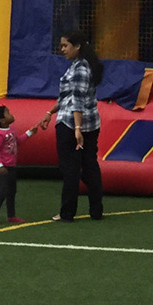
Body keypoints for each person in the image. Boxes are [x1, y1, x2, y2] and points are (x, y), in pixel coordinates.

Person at [41, 29, 104, 222]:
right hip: (90, 124)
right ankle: (96, 210)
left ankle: (67, 212)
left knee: (71, 169)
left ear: (77, 46)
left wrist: (77, 129)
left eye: (65, 45)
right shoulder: (82, 66)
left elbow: (77, 101)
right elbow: (66, 97)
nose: (62, 49)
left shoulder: (80, 69)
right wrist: (50, 112)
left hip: (71, 125)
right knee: (89, 166)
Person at [0, 106, 50, 226]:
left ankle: (11, 216)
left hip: (11, 167)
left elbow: (18, 141)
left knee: (12, 192)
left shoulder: (10, 130)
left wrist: (29, 133)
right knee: (3, 192)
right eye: (8, 113)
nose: (11, 114)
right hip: (3, 169)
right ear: (2, 120)